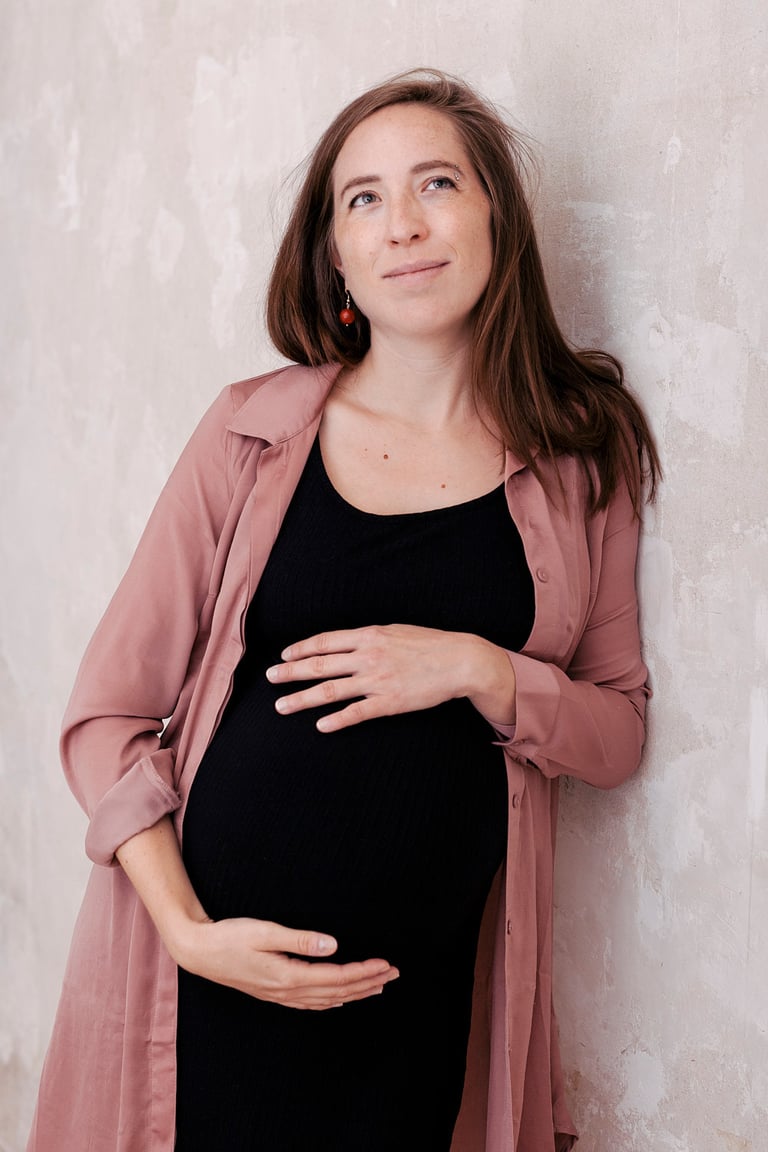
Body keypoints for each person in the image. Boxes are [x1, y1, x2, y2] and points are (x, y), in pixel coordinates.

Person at [27, 67, 660, 1152]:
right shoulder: (248, 434)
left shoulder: (577, 459)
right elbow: (105, 719)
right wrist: (188, 933)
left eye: (436, 184)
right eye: (363, 198)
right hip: (215, 982)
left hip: (422, 1012)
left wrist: (477, 667)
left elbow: (618, 733)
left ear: (498, 219)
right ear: (336, 255)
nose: (402, 224)